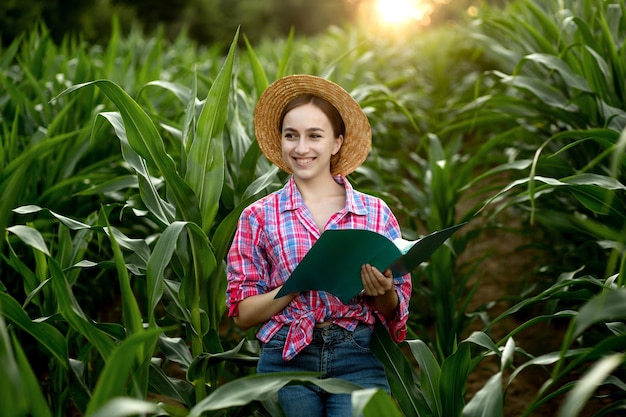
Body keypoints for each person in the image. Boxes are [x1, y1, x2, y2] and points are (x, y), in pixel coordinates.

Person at [226, 74, 412, 417]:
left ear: (337, 142)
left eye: (315, 136)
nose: (301, 148)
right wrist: (298, 284)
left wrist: (382, 290)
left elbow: (394, 309)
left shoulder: (374, 212)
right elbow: (243, 314)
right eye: (291, 136)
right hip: (286, 357)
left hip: (358, 354)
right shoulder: (258, 217)